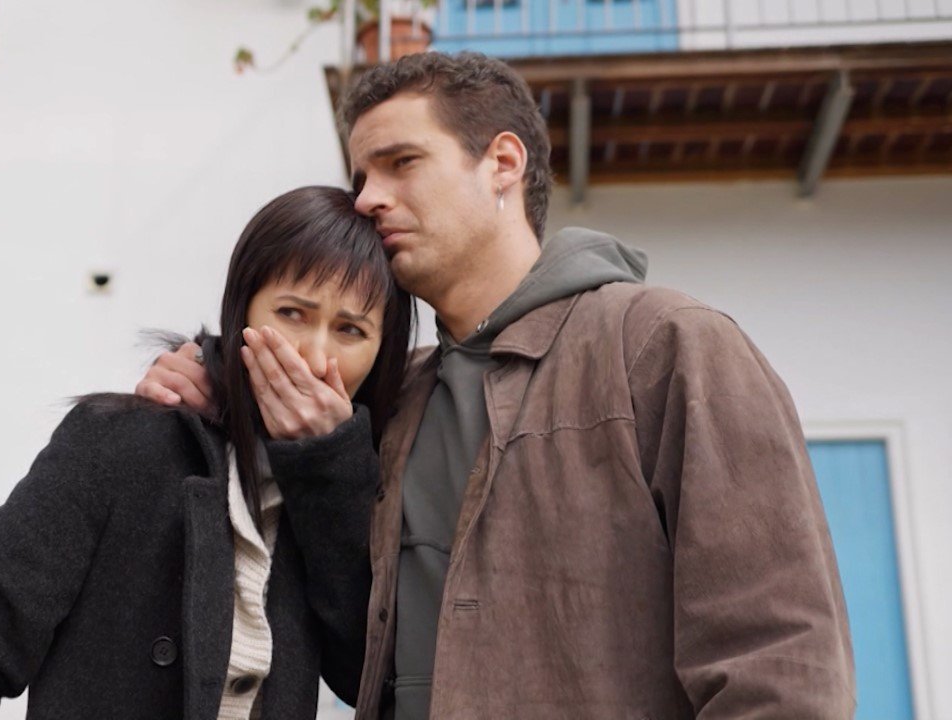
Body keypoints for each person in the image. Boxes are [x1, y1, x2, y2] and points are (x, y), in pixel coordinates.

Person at [138, 52, 855, 719]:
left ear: (503, 163)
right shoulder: (391, 397)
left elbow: (779, 661)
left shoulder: (666, 344)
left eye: (401, 163)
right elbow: (357, 659)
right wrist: (209, 383)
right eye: (360, 179)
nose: (367, 200)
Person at [0, 186, 414, 720]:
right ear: (243, 310)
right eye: (292, 313)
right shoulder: (118, 441)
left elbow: (364, 675)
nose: (314, 356)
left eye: (350, 330)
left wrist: (328, 470)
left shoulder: (366, 486)